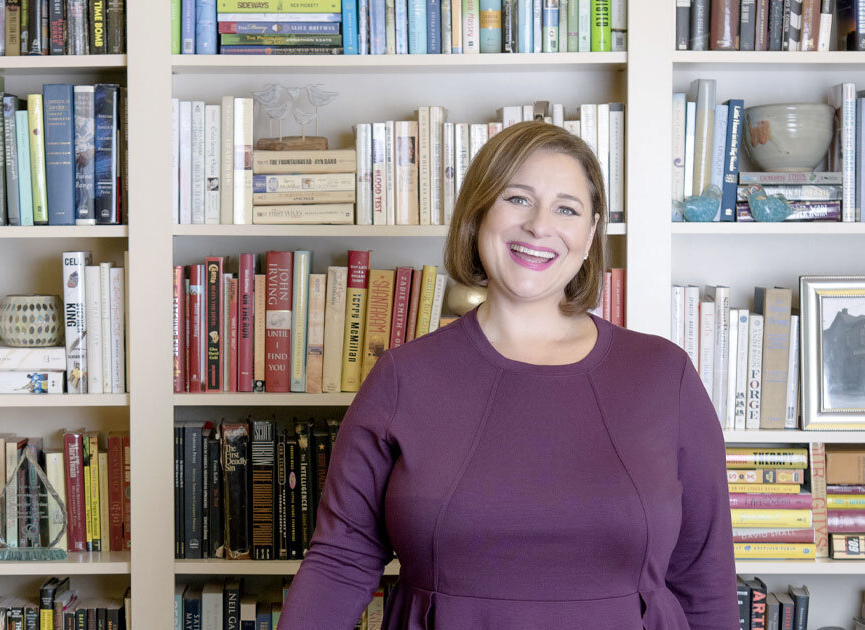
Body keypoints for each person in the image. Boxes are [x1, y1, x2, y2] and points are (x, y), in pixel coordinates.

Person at [278, 121, 738, 629]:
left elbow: (704, 579)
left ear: (590, 235)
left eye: (567, 208)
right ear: (479, 216)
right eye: (517, 199)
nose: (540, 226)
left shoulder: (663, 374)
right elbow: (341, 562)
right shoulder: (402, 377)